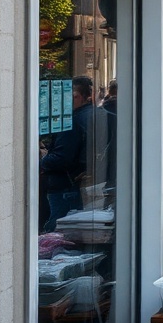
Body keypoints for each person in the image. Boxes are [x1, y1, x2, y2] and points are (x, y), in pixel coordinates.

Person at [39, 75, 112, 231]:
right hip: (85, 183)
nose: (68, 101)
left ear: (85, 97)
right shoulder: (99, 114)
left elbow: (61, 158)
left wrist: (43, 160)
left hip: (66, 186)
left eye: (73, 97)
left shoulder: (72, 121)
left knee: (58, 232)